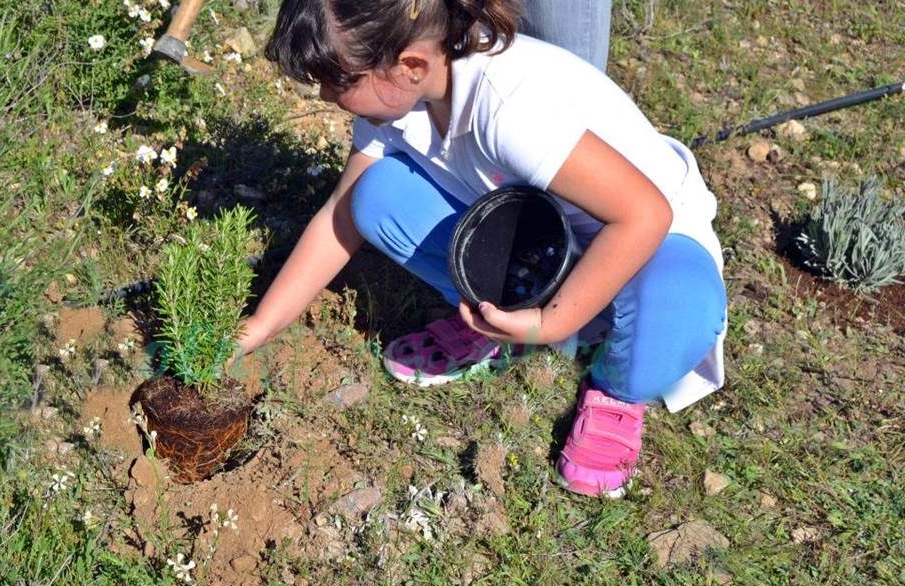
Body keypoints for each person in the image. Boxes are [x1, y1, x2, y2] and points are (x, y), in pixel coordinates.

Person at [234, 0, 726, 498]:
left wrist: (552, 323)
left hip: (650, 242)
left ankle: (615, 390)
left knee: (677, 309)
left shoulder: (510, 107)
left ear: (410, 66)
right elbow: (341, 214)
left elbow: (645, 216)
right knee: (377, 195)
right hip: (541, 235)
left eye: (337, 81)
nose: (324, 94)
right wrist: (259, 326)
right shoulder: (401, 100)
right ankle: (505, 314)